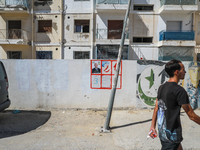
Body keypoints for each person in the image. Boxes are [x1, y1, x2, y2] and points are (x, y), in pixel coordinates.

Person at [149, 59, 200, 150]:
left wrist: (152, 126)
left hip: (163, 133)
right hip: (171, 135)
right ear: (177, 72)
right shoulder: (179, 91)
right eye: (183, 70)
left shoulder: (162, 87)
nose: (185, 72)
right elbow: (191, 115)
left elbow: (156, 107)